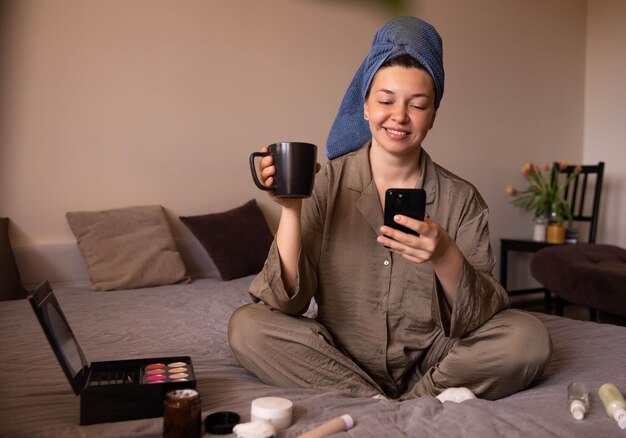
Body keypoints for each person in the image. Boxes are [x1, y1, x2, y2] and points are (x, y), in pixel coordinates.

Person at [228, 16, 551, 401]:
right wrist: (292, 208)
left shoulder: (461, 198)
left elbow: (480, 318)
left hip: (435, 360)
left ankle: (413, 398)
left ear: (432, 116)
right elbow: (286, 301)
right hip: (340, 355)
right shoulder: (326, 183)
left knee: (528, 339)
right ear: (364, 107)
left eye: (418, 105)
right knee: (247, 326)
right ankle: (376, 399)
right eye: (385, 100)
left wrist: (445, 254)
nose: (399, 115)